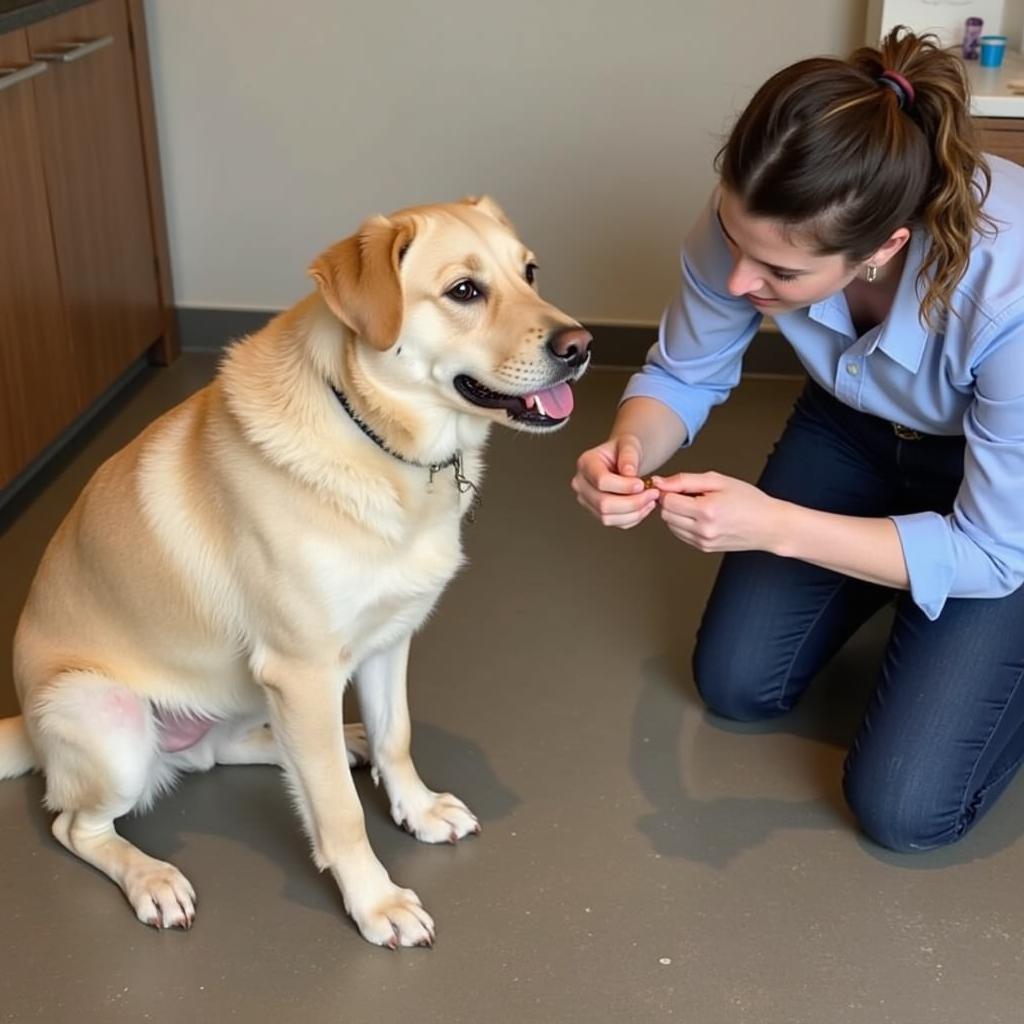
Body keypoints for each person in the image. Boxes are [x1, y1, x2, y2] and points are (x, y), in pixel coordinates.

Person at [572, 27, 1024, 853]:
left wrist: (774, 525)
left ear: (884, 249)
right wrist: (628, 449)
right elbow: (684, 374)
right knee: (738, 685)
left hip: (996, 495)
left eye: (779, 274)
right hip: (853, 433)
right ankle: (904, 582)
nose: (742, 283)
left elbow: (994, 552)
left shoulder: (1010, 295)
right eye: (736, 244)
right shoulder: (754, 224)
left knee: (904, 810)